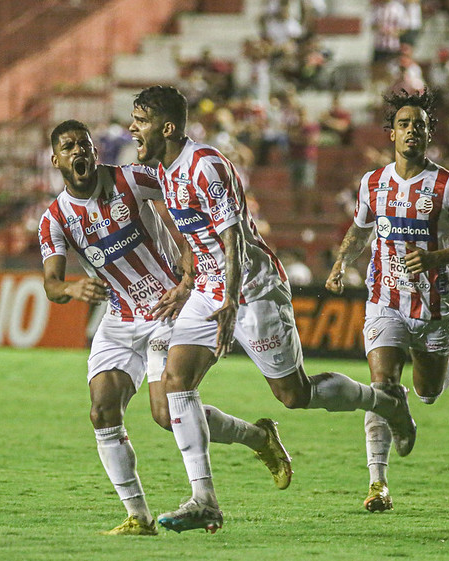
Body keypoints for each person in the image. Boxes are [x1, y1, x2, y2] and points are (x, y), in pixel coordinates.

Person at [129, 86, 415, 533]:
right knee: (175, 385)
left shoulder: (206, 165)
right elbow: (195, 235)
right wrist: (192, 283)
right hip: (209, 289)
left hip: (252, 291)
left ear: (167, 127)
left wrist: (228, 298)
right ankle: (205, 500)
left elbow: (233, 238)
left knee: (294, 395)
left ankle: (385, 401)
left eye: (140, 120)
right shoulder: (163, 171)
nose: (132, 128)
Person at [38, 120, 294, 536]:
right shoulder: (55, 218)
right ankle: (138, 517)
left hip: (167, 310)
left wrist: (193, 255)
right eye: (69, 147)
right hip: (119, 320)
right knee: (102, 411)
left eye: (85, 144)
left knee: (165, 413)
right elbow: (50, 284)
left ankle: (256, 439)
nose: (79, 152)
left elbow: (184, 198)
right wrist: (71, 287)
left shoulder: (130, 179)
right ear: (56, 160)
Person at [325, 88, 449, 513]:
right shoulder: (373, 182)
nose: (411, 130)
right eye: (403, 124)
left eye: (419, 124)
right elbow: (361, 228)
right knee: (382, 387)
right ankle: (377, 483)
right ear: (391, 134)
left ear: (429, 134)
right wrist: (342, 262)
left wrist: (434, 257)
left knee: (428, 391)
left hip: (433, 305)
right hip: (385, 300)